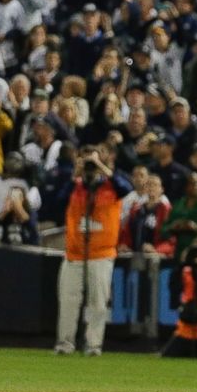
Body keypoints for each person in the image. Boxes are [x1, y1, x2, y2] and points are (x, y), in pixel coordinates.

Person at [55, 147, 131, 356]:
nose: (89, 167)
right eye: (85, 161)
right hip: (74, 252)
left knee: (98, 302)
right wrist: (74, 175)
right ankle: (65, 343)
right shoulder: (74, 186)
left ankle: (93, 345)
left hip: (102, 252)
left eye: (92, 162)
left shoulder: (111, 185)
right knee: (68, 300)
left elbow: (126, 188)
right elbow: (56, 202)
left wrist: (100, 167)